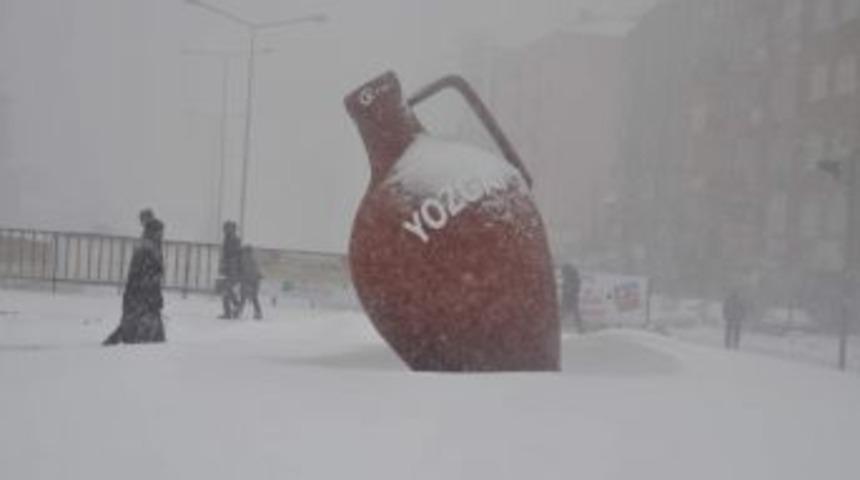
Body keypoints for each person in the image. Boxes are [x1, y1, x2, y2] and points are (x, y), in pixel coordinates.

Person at [103, 218, 166, 345]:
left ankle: (128, 337)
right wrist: (154, 296)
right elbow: (149, 275)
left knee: (134, 322)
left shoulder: (144, 245)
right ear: (154, 232)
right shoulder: (149, 248)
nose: (162, 235)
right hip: (143, 296)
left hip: (137, 295)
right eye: (160, 232)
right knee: (142, 325)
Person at [217, 220, 242, 319]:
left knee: (226, 289)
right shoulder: (227, 239)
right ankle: (230, 310)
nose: (225, 230)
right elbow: (225, 255)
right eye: (225, 228)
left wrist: (228, 265)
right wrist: (223, 265)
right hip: (229, 269)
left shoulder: (234, 240)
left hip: (233, 269)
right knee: (226, 290)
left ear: (232, 229)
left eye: (227, 228)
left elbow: (233, 256)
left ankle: (235, 306)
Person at [236, 245, 263, 320]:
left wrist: (243, 279)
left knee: (245, 297)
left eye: (245, 251)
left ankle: (239, 312)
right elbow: (257, 271)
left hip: (249, 280)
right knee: (252, 297)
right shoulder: (252, 258)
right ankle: (258, 312)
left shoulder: (247, 259)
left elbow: (248, 271)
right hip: (253, 280)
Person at [560, 263, 584, 333]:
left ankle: (579, 327)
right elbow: (566, 288)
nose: (563, 274)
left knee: (570, 312)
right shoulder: (570, 277)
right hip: (570, 297)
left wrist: (570, 290)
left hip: (570, 297)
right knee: (573, 312)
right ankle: (579, 327)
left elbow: (574, 288)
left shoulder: (572, 278)